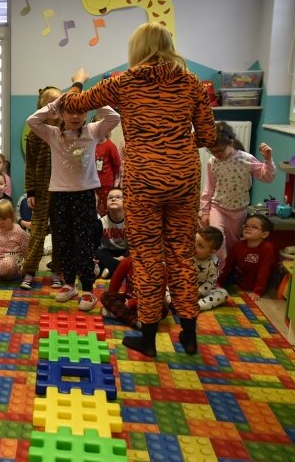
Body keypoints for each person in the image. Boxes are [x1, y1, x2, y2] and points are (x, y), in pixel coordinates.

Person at [63, 22, 216, 357]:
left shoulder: (124, 81)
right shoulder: (192, 83)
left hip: (145, 179)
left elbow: (75, 104)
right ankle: (189, 336)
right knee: (180, 256)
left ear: (137, 49)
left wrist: (77, 79)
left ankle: (148, 337)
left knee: (146, 259)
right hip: (183, 178)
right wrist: (175, 149)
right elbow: (207, 137)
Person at [27, 93, 120, 310]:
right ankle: (69, 283)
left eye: (81, 111)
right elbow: (32, 121)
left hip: (84, 194)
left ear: (87, 112)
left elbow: (114, 117)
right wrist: (56, 104)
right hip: (59, 195)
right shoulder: (53, 134)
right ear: (61, 113)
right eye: (70, 111)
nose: (76, 116)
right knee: (64, 241)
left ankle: (87, 289)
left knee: (84, 242)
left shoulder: (93, 130)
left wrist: (94, 100)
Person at [200, 121, 276, 263]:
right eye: (212, 151)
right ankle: (216, 277)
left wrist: (267, 158)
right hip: (218, 208)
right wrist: (205, 212)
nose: (217, 154)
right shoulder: (213, 162)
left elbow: (267, 177)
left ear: (230, 142)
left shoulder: (246, 159)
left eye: (220, 150)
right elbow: (208, 189)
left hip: (238, 211)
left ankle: (228, 273)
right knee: (218, 241)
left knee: (233, 245)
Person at [20, 86, 62, 290]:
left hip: (63, 189)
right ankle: (29, 272)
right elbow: (30, 166)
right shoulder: (34, 134)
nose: (54, 106)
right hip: (42, 190)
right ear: (41, 106)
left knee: (60, 231)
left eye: (58, 102)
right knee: (37, 232)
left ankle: (57, 271)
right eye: (49, 103)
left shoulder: (66, 130)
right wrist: (31, 192)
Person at [216, 214, 276, 302]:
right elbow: (227, 265)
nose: (248, 228)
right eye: (246, 226)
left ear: (264, 234)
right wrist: (219, 282)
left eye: (254, 227)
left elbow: (264, 271)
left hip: (257, 284)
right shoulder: (238, 245)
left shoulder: (267, 248)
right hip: (238, 282)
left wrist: (257, 291)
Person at [101, 255, 169, 329]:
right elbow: (115, 283)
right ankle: (135, 320)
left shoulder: (159, 267)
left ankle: (120, 313)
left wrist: (131, 303)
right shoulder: (128, 261)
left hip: (147, 305)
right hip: (127, 299)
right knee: (106, 296)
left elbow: (159, 296)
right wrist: (111, 301)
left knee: (163, 308)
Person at [94, 187, 128, 280]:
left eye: (118, 197)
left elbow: (137, 246)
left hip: (125, 252)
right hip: (107, 252)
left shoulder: (131, 222)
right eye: (110, 198)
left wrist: (122, 258)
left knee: (136, 254)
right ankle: (117, 269)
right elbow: (94, 245)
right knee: (96, 253)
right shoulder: (101, 222)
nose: (113, 199)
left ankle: (108, 268)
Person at [93, 115, 122, 216]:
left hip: (106, 183)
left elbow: (117, 165)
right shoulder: (91, 145)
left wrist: (114, 181)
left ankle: (107, 228)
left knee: (106, 206)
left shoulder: (110, 146)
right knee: (94, 206)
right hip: (91, 183)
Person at [194, 226, 227, 311]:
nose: (194, 246)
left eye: (200, 246)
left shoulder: (213, 262)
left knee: (223, 293)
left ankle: (198, 306)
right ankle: (171, 302)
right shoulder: (187, 254)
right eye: (194, 241)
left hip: (203, 290)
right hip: (184, 286)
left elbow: (211, 281)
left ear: (212, 251)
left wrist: (199, 292)